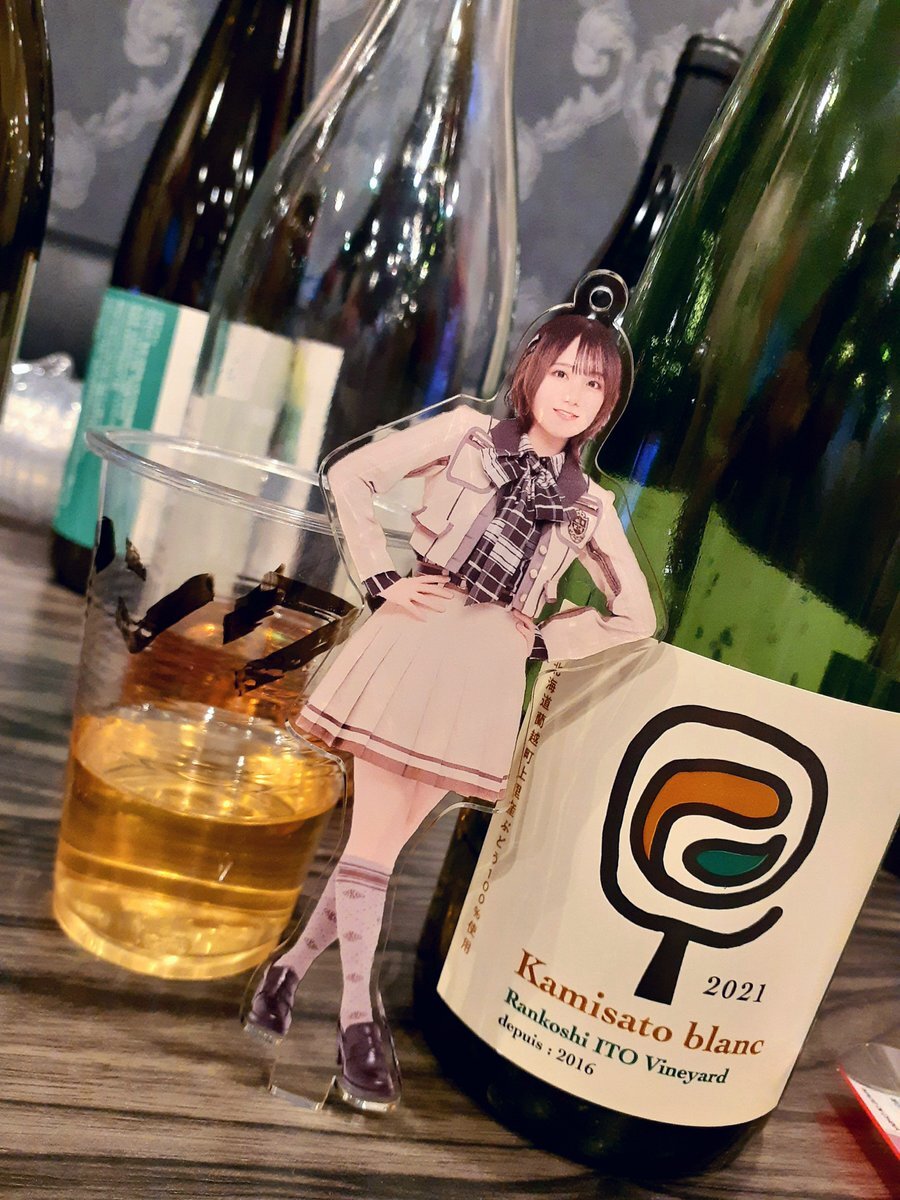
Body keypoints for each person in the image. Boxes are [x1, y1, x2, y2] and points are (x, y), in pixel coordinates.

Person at [245, 311, 657, 1109]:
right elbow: (350, 476)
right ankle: (357, 1024)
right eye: (562, 373)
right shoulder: (467, 434)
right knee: (373, 845)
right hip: (416, 638)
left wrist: (544, 641)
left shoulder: (589, 506)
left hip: (486, 675)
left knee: (378, 850)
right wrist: (380, 579)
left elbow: (634, 616)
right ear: (531, 373)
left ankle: (284, 975)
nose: (573, 394)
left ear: (608, 404)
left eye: (593, 383)